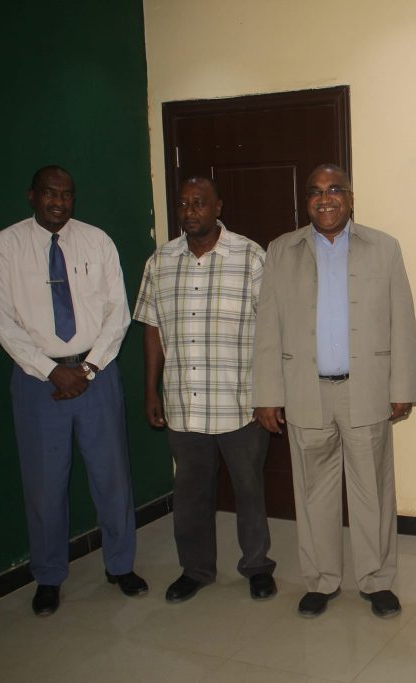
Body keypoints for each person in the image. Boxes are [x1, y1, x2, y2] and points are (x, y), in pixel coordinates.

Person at [253, 163, 416, 619]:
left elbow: (402, 319)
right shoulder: (281, 251)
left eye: (334, 190)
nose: (325, 199)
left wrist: (402, 385)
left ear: (350, 197)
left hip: (366, 390)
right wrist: (267, 393)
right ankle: (321, 580)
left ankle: (376, 580)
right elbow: (267, 327)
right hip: (305, 391)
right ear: (306, 201)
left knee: (373, 493)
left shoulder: (384, 247)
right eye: (315, 192)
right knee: (313, 494)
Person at [0, 165, 145, 616]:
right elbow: (1, 320)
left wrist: (88, 367)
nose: (59, 202)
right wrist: (50, 370)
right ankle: (49, 576)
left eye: (67, 194)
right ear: (32, 196)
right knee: (44, 485)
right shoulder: (6, 246)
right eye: (50, 193)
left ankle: (120, 565)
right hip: (38, 382)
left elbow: (118, 312)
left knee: (112, 478)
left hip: (97, 374)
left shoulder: (97, 241)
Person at [134, 177, 277, 604]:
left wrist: (269, 394)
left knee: (249, 491)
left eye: (199, 203)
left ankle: (257, 566)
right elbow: (152, 330)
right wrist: (151, 390)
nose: (190, 210)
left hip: (240, 403)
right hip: (184, 403)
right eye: (183, 203)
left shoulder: (251, 257)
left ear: (218, 207)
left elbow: (272, 331)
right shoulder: (159, 262)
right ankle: (195, 569)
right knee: (190, 495)